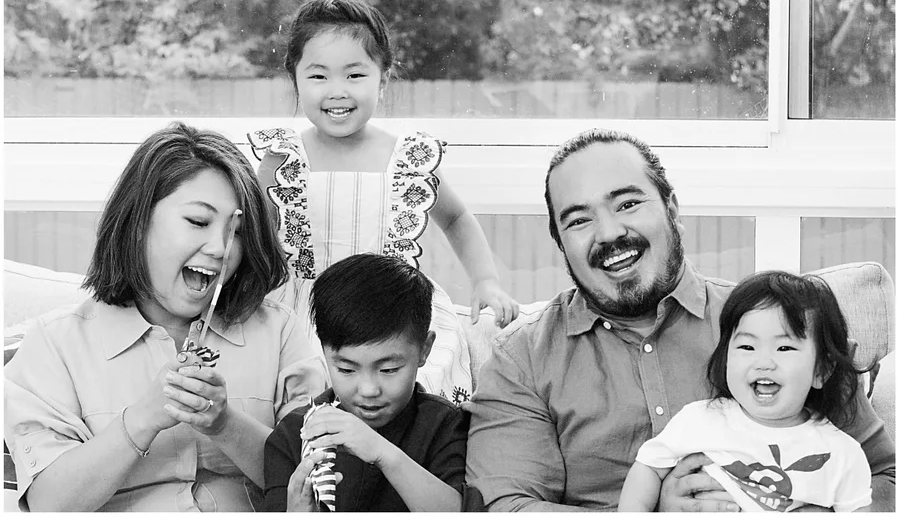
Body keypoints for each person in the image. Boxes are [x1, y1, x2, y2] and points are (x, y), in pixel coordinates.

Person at [465, 128, 895, 511]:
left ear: (672, 208)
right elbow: (506, 506)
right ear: (560, 242)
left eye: (629, 203)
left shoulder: (780, 332)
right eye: (579, 220)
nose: (610, 232)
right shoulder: (521, 358)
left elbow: (885, 479)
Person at [4, 122, 327, 511]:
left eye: (237, 232)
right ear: (137, 222)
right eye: (198, 222)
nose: (222, 248)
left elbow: (317, 484)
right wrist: (142, 420)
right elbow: (49, 504)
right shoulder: (54, 344)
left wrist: (225, 425)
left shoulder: (280, 332)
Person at [248, 0, 518, 404]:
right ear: (295, 79)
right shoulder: (281, 157)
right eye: (319, 76)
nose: (337, 91)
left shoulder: (405, 158)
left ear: (383, 76)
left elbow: (457, 219)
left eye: (354, 76)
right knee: (302, 399)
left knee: (415, 393)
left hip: (391, 311)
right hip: (306, 315)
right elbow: (249, 236)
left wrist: (486, 282)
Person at [619, 270, 872, 512]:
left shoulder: (842, 455)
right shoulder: (700, 420)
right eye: (748, 347)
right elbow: (649, 468)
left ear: (821, 370)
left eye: (784, 348)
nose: (763, 362)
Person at [263, 253, 469, 511]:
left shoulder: (445, 425)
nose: (369, 390)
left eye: (389, 369)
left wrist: (382, 453)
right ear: (324, 352)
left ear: (425, 350)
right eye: (346, 369)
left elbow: (461, 510)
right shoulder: (294, 433)